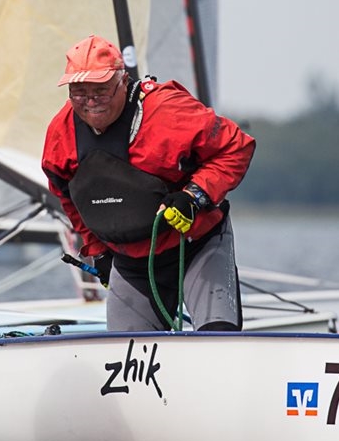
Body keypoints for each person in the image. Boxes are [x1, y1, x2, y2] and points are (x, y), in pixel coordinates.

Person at [42, 35, 255, 332]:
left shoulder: (167, 111)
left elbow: (236, 147)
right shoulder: (60, 132)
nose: (90, 102)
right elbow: (68, 195)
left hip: (196, 246)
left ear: (122, 82)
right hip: (131, 263)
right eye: (79, 93)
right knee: (126, 352)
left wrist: (194, 196)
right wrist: (98, 251)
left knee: (217, 338)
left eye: (101, 91)